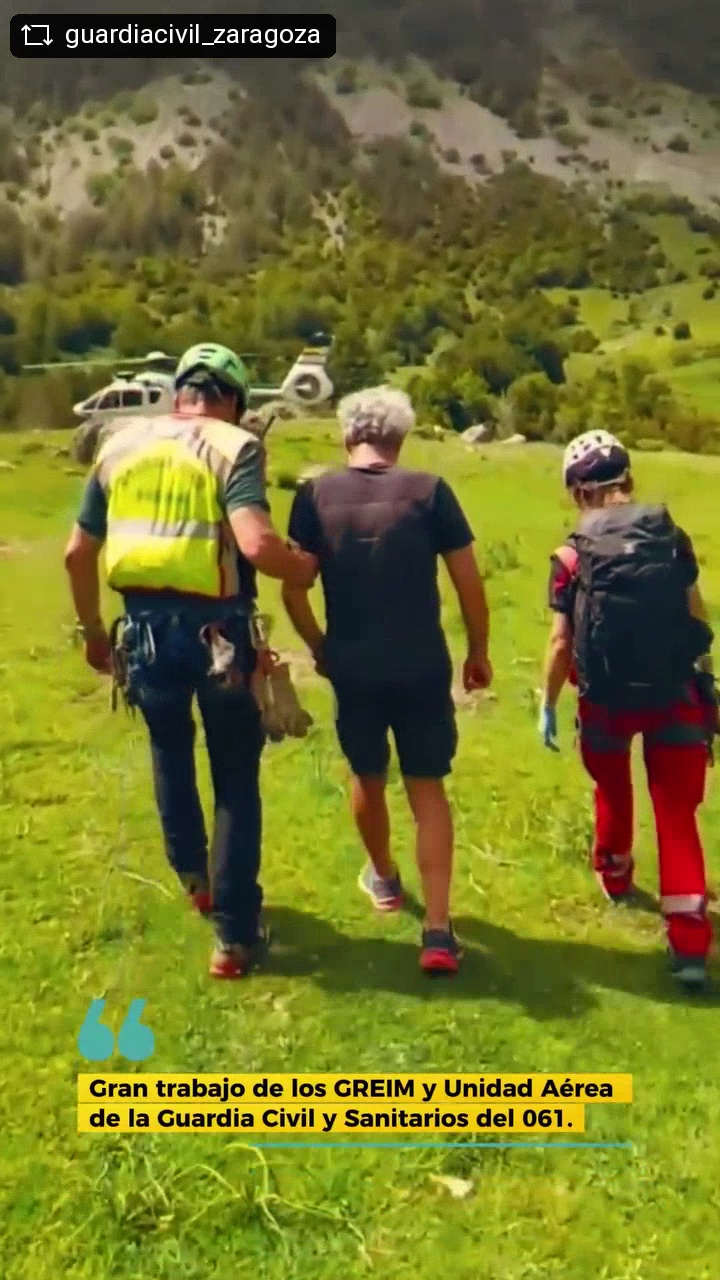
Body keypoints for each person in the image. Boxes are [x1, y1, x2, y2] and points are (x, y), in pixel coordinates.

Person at [64, 342, 317, 979]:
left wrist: (92, 633)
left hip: (142, 635)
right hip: (220, 635)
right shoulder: (236, 446)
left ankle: (195, 879)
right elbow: (256, 544)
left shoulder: (118, 445)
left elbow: (76, 553)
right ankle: (234, 936)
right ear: (232, 400)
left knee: (169, 751)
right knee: (234, 775)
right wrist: (303, 567)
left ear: (180, 393)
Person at [281, 386, 493, 975]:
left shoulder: (314, 495)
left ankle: (385, 880)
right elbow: (469, 582)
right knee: (427, 787)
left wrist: (320, 648)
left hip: (354, 664)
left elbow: (294, 589)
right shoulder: (429, 491)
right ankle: (439, 930)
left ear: (348, 435)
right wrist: (478, 651)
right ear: (399, 439)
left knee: (367, 775)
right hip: (422, 661)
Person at [539, 428, 718, 989]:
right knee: (677, 815)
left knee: (612, 788)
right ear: (630, 480)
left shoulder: (571, 554)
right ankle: (690, 944)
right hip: (675, 695)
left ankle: (614, 873)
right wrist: (705, 686)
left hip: (605, 700)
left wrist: (547, 703)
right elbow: (697, 618)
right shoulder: (671, 537)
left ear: (578, 493)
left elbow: (561, 643)